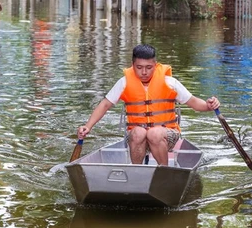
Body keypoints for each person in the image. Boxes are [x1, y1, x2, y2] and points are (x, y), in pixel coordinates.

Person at [77, 44, 220, 166]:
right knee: (139, 132)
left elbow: (194, 103)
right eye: (139, 67)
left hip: (166, 135)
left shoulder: (169, 82)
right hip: (136, 136)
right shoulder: (124, 82)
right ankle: (137, 173)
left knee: (154, 133)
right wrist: (88, 126)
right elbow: (105, 105)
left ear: (156, 65)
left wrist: (209, 105)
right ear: (133, 66)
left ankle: (164, 171)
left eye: (149, 67)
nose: (144, 72)